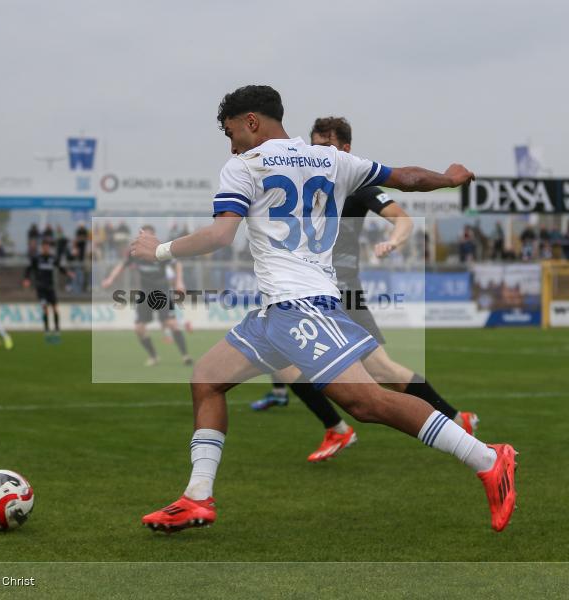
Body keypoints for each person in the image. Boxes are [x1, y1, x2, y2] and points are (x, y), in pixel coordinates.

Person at [134, 85, 517, 533]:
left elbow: (221, 237)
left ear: (252, 122)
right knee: (207, 380)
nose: (231, 141)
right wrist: (449, 178)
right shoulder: (332, 159)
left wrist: (158, 250)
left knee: (368, 402)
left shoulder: (243, 166)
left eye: (231, 130)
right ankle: (197, 498)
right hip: (276, 312)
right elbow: (406, 177)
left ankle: (489, 458)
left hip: (302, 308)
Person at [251, 116, 478, 463]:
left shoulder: (355, 180)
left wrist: (393, 241)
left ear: (345, 149)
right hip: (304, 290)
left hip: (341, 289)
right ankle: (339, 430)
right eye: (315, 146)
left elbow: (401, 219)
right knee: (281, 365)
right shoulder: (301, 180)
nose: (320, 152)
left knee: (383, 372)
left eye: (327, 146)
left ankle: (455, 420)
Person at [101, 225, 192, 366]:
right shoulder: (136, 253)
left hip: (161, 291)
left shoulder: (161, 252)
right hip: (145, 292)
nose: (145, 238)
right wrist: (110, 279)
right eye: (143, 235)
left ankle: (185, 356)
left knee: (171, 324)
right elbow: (122, 265)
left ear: (153, 237)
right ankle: (154, 357)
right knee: (139, 328)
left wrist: (180, 282)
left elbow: (177, 264)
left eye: (148, 236)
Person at [24, 239, 73, 343]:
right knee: (45, 309)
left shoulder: (52, 258)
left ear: (49, 248)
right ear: (42, 247)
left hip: (51, 288)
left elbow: (60, 267)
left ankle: (57, 331)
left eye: (48, 246)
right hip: (41, 288)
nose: (46, 248)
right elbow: (28, 269)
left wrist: (67, 272)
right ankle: (46, 331)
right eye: (44, 246)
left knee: (55, 309)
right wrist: (27, 279)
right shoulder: (37, 258)